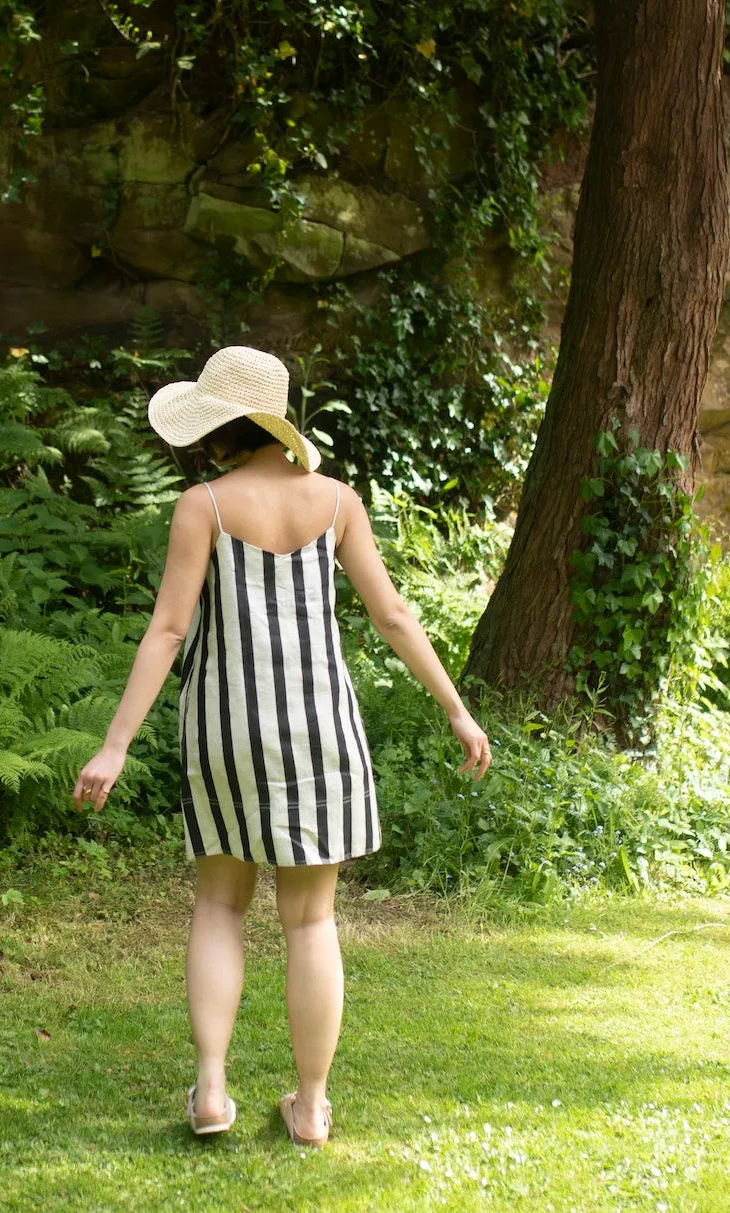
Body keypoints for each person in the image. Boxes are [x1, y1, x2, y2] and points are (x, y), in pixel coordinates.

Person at [71, 345, 492, 1148]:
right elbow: (394, 615)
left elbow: (168, 629)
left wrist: (114, 745)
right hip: (318, 729)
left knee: (220, 903)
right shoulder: (336, 502)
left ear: (221, 425)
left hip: (227, 729)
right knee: (310, 922)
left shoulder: (205, 506)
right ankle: (310, 1104)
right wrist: (458, 710)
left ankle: (212, 1089)